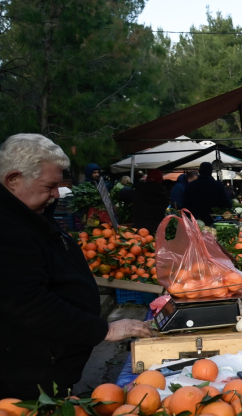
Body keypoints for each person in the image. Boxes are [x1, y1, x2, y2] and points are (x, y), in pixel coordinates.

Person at [0, 134, 153, 400]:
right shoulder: (7, 228)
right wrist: (104, 329)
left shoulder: (29, 215)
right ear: (13, 180)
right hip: (27, 380)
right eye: (49, 186)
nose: (56, 194)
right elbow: (27, 302)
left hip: (48, 370)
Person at [118, 169, 169, 234]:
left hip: (139, 229)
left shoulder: (140, 191)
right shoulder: (164, 195)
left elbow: (123, 194)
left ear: (147, 178)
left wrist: (129, 187)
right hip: (157, 229)